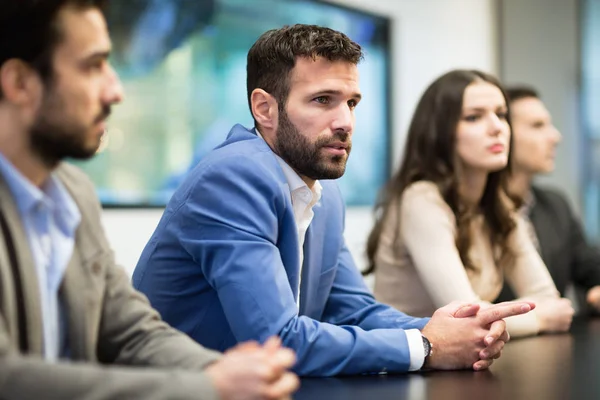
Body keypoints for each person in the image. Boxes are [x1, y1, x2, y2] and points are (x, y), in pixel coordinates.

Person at [132, 25, 535, 376]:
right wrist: (427, 347)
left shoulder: (324, 192)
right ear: (264, 108)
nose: (345, 121)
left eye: (352, 102)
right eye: (323, 100)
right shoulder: (234, 176)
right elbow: (278, 340)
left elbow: (353, 310)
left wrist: (455, 327)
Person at [0, 1, 299, 399]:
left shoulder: (73, 194)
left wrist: (229, 373)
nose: (116, 90)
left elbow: (131, 331)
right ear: (20, 83)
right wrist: (208, 386)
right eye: (93, 66)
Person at [367, 69, 574, 338]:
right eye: (474, 117)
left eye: (501, 114)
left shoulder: (496, 202)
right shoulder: (421, 199)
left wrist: (543, 314)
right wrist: (541, 320)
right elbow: (468, 319)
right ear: (441, 133)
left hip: (463, 363)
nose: (497, 127)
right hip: (404, 367)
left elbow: (547, 298)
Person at [495, 86, 600, 313]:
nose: (555, 137)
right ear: (501, 134)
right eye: (537, 126)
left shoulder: (554, 205)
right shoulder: (472, 213)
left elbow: (590, 266)